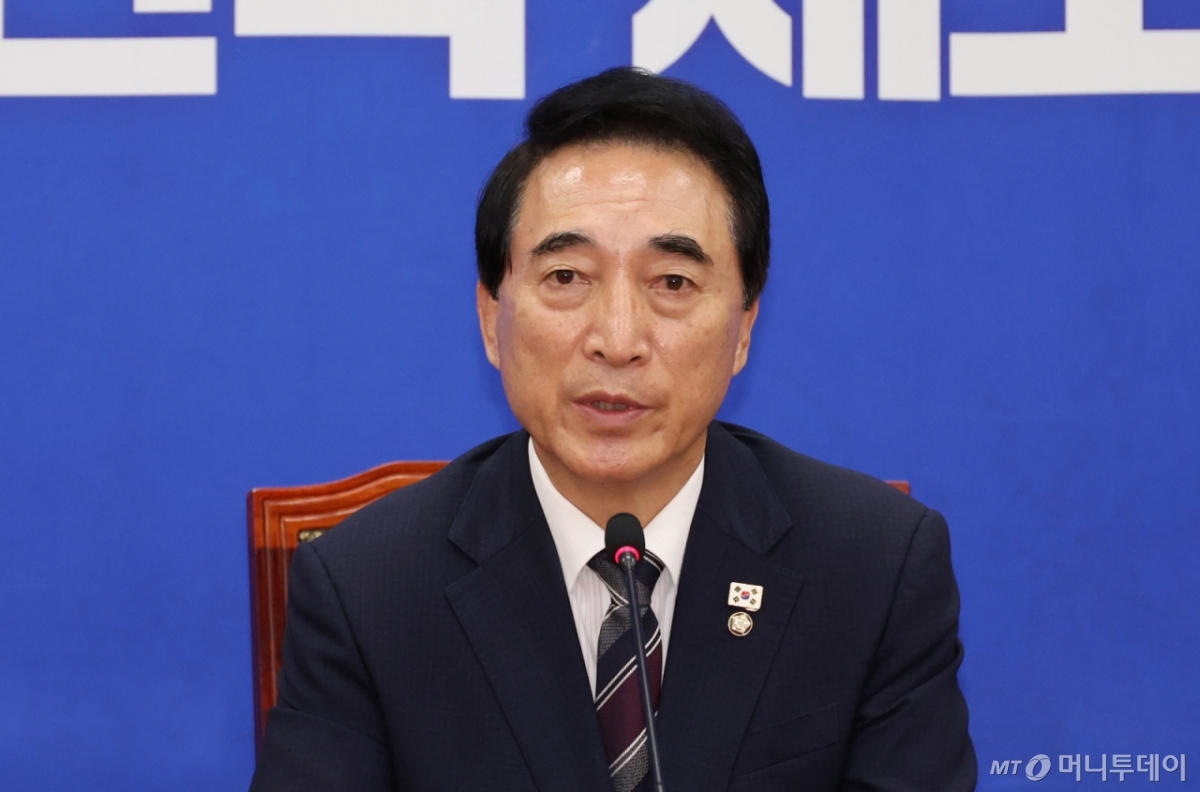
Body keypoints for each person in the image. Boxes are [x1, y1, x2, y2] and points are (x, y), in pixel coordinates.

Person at [249, 67, 976, 792]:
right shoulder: (368, 591)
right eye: (566, 277)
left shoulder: (873, 570)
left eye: (673, 282)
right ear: (491, 319)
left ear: (745, 326)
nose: (618, 340)